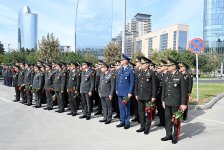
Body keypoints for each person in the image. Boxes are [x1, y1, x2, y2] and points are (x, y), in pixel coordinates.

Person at [161, 57, 188, 144]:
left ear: (173, 66)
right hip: (167, 101)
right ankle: (168, 135)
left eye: (169, 66)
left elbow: (184, 92)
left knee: (175, 119)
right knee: (167, 119)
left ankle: (175, 136)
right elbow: (164, 89)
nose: (167, 67)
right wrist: (163, 100)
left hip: (176, 102)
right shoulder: (166, 75)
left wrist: (183, 104)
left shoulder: (181, 76)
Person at [135, 57, 157, 135]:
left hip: (148, 96)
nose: (141, 64)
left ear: (147, 64)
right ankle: (142, 126)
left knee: (148, 112)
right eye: (141, 63)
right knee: (141, 112)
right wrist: (136, 93)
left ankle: (147, 127)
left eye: (143, 63)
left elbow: (154, 85)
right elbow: (136, 84)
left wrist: (153, 96)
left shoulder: (151, 72)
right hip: (140, 95)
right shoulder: (139, 72)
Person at [116, 54, 135, 129]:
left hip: (126, 93)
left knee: (126, 107)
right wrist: (116, 89)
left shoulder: (130, 70)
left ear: (126, 61)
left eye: (122, 60)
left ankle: (127, 122)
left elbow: (132, 82)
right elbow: (118, 81)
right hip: (120, 91)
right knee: (121, 107)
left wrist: (130, 92)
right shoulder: (120, 70)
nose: (121, 61)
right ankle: (122, 121)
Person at [154, 60, 168, 127]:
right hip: (159, 94)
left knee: (166, 110)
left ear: (166, 66)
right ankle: (161, 121)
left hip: (166, 95)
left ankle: (167, 123)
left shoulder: (169, 74)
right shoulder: (159, 74)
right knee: (159, 109)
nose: (160, 67)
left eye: (162, 66)